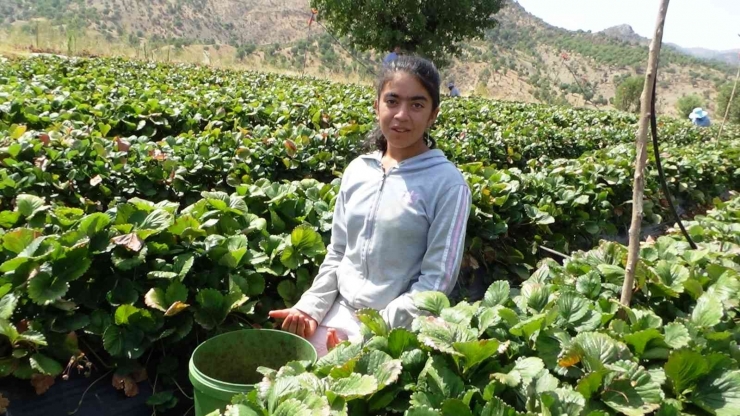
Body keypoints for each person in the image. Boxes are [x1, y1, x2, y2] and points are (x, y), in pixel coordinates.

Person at [269, 55, 472, 357]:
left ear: (433, 115)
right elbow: (338, 253)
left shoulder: (448, 184)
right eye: (392, 101)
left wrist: (371, 333)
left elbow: (435, 283)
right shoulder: (358, 171)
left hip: (397, 332)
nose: (402, 114)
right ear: (376, 105)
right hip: (339, 312)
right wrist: (311, 308)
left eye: (417, 105)